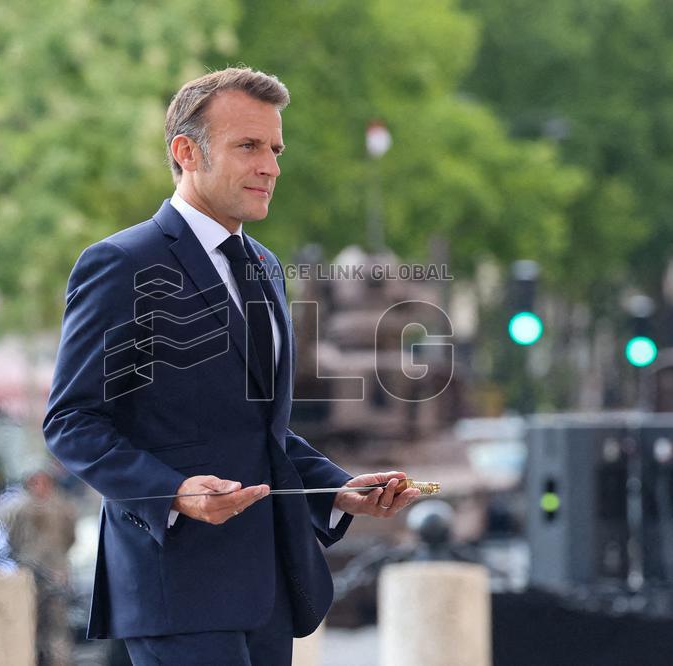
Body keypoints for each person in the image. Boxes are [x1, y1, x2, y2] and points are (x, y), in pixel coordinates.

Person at [43, 66, 420, 666]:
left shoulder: (266, 266)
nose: (270, 165)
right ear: (186, 152)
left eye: (275, 148)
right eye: (248, 146)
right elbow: (71, 422)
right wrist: (173, 493)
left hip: (267, 591)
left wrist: (337, 489)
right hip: (177, 588)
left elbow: (259, 429)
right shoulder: (119, 263)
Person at [1, 469, 78, 666]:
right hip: (34, 574)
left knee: (54, 628)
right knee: (35, 626)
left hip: (50, 573)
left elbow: (70, 539)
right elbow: (12, 538)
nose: (40, 486)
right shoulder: (19, 508)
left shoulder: (61, 507)